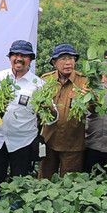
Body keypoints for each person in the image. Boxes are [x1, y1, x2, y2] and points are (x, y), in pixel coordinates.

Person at [0, 40, 43, 213]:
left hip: (23, 141)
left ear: (30, 59)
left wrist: (50, 111)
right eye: (15, 55)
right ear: (10, 58)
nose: (19, 59)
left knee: (20, 181)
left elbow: (50, 114)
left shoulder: (37, 84)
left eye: (24, 55)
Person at [38, 44, 88, 179]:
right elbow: (38, 112)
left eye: (71, 58)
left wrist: (92, 98)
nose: (68, 62)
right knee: (44, 182)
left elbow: (93, 110)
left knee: (70, 184)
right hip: (49, 141)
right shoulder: (46, 80)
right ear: (54, 63)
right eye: (63, 59)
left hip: (73, 144)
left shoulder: (84, 81)